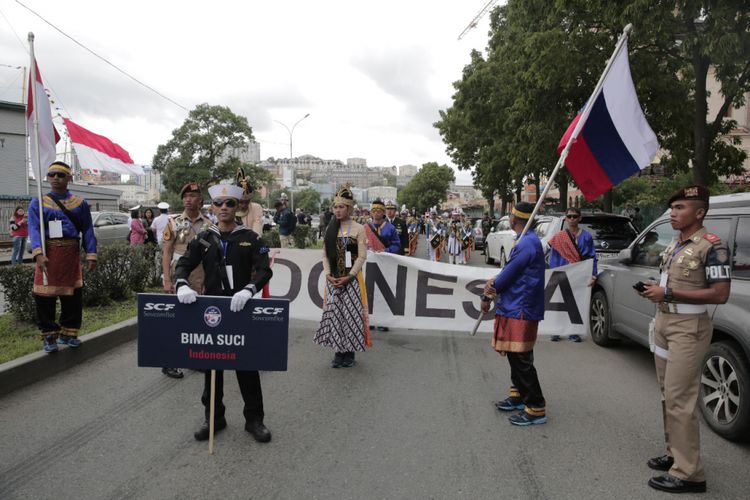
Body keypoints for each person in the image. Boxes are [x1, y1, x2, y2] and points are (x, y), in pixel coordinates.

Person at [638, 185, 731, 494]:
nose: (672, 214)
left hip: (688, 326)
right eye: (672, 208)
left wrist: (670, 293)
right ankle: (675, 454)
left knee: (681, 398)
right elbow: (671, 281)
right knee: (668, 393)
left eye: (679, 208)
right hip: (664, 320)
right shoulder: (676, 243)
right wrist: (658, 289)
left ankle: (690, 474)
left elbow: (721, 293)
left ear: (699, 212)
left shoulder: (712, 246)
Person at [174, 183, 273, 443]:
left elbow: (265, 270)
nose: (225, 208)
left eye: (230, 203)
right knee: (212, 368)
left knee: (247, 367)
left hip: (241, 309)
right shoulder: (205, 238)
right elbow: (184, 263)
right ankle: (214, 418)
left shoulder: (250, 238)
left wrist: (250, 290)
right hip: (213, 312)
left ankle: (254, 419)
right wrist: (181, 283)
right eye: (219, 204)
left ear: (238, 206)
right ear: (213, 207)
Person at [481, 202, 546, 426]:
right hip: (515, 305)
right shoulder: (526, 241)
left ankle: (536, 406)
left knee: (521, 359)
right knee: (515, 355)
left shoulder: (527, 243)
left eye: (510, 215)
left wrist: (488, 291)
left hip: (521, 308)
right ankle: (518, 395)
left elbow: (508, 275)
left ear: (514, 218)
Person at [27, 161, 97, 353]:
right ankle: (49, 336)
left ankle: (69, 333)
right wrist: (38, 254)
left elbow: (88, 229)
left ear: (69, 178)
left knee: (73, 296)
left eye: (60, 174)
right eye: (52, 175)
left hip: (70, 255)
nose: (55, 178)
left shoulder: (80, 204)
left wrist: (91, 254)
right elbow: (33, 229)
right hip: (48, 256)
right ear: (47, 178)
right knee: (45, 296)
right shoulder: (38, 202)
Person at [160, 182, 212, 379]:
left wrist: (210, 280)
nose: (189, 200)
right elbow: (166, 253)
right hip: (177, 277)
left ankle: (194, 358)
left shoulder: (208, 224)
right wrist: (166, 280)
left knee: (197, 321)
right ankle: (169, 361)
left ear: (200, 200)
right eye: (186, 196)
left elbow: (211, 256)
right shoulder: (173, 222)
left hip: (200, 277)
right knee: (175, 321)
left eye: (193, 196)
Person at [314, 186, 370, 369]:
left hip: (352, 281)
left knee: (351, 316)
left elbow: (361, 256)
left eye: (341, 207)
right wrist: (329, 274)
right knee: (335, 315)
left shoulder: (359, 229)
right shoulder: (330, 229)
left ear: (350, 209)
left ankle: (349, 353)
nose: (337, 210)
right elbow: (324, 255)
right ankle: (338, 353)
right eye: (335, 207)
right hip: (333, 280)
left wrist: (350, 276)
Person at [547, 207, 598, 342]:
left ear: (579, 218)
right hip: (562, 274)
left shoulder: (586, 236)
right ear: (565, 218)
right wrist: (554, 274)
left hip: (579, 275)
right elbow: (553, 257)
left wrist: (593, 275)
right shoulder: (559, 237)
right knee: (559, 303)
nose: (572, 219)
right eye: (569, 216)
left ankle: (574, 332)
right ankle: (556, 331)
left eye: (575, 216)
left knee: (576, 302)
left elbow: (592, 257)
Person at [235, 167, 264, 235]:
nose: (244, 205)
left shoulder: (256, 208)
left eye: (247, 202)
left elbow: (257, 230)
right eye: (241, 202)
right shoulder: (230, 208)